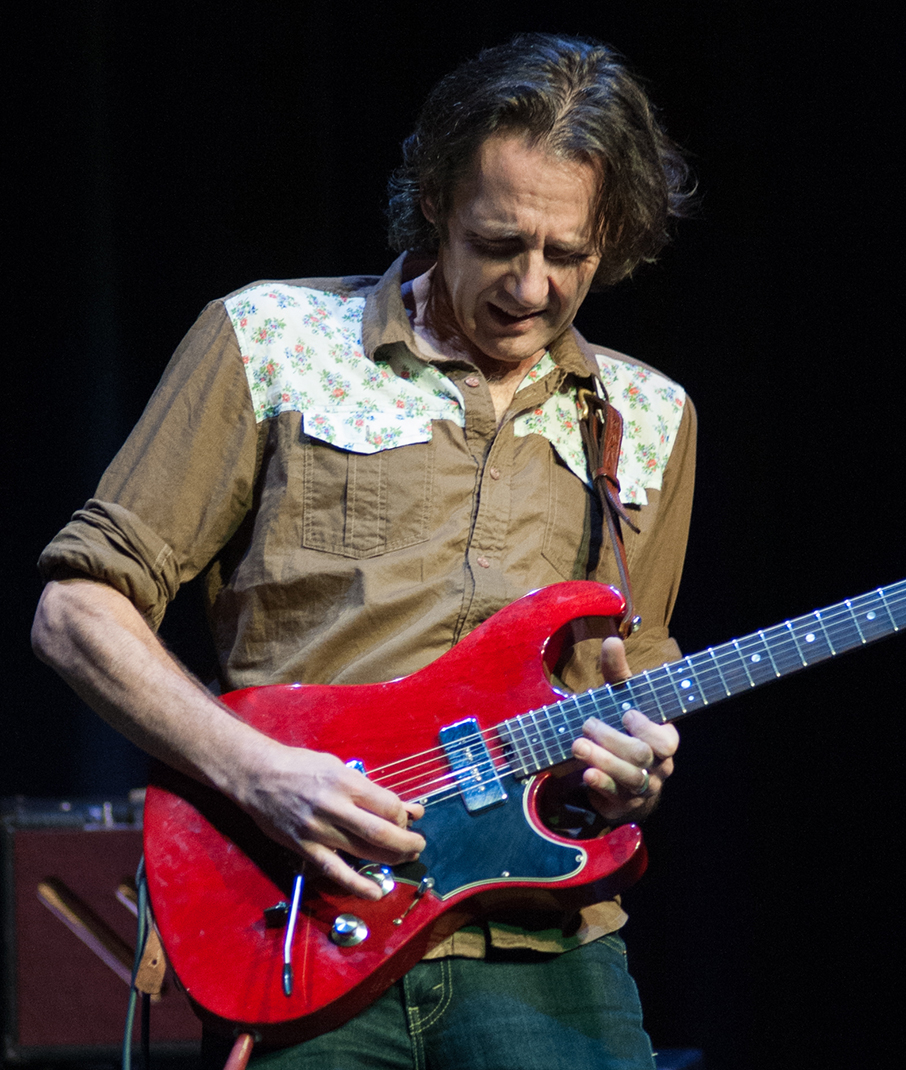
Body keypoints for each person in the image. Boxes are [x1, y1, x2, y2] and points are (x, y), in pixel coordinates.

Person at [32, 33, 696, 1069]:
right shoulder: (273, 340)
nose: (528, 288)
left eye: (567, 256)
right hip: (303, 914)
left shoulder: (647, 415)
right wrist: (257, 772)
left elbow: (632, 672)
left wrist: (634, 771)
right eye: (497, 242)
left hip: (537, 941)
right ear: (433, 201)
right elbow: (76, 611)